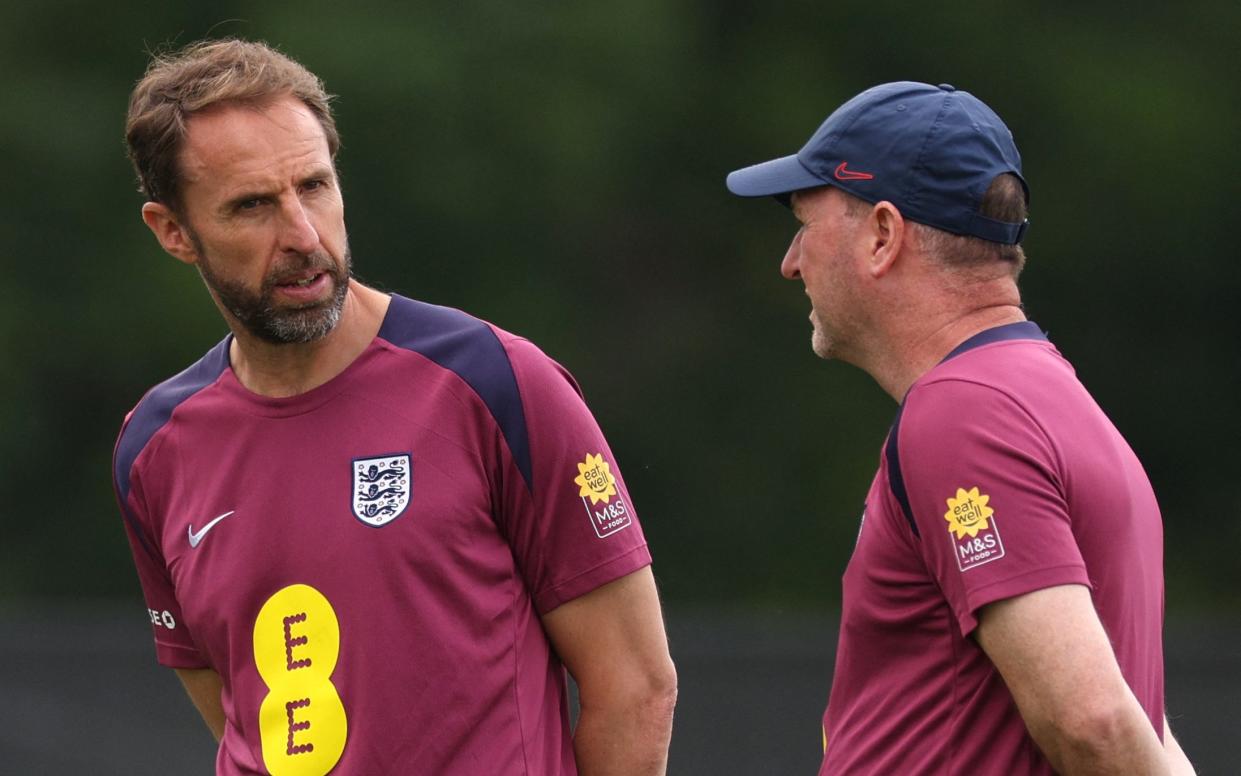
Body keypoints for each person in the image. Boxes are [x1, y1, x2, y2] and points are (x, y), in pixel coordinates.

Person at [113, 38, 676, 776]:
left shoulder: (495, 383)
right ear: (174, 231)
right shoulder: (152, 448)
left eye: (313, 187)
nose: (302, 236)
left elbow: (634, 687)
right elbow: (240, 713)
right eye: (252, 206)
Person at [726, 82, 1195, 775]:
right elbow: (1139, 732)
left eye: (805, 221)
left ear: (882, 235)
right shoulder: (1050, 396)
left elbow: (1093, 722)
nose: (790, 262)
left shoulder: (965, 413)